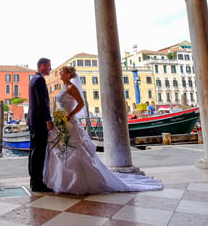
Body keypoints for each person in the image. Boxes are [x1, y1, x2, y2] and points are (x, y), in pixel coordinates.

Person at [43, 66, 163, 194]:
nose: (60, 73)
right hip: (61, 121)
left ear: (68, 74)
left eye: (62, 72)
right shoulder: (62, 87)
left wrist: (70, 115)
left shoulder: (72, 87)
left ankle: (79, 182)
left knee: (75, 150)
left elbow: (81, 104)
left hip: (69, 120)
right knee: (60, 149)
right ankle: (63, 181)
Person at [27, 58, 55, 192]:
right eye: (49, 66)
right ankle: (37, 183)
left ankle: (34, 181)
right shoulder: (39, 80)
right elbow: (41, 103)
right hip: (38, 122)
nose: (50, 69)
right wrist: (48, 120)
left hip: (33, 121)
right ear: (43, 66)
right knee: (38, 153)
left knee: (34, 151)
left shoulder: (34, 79)